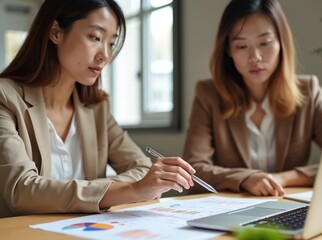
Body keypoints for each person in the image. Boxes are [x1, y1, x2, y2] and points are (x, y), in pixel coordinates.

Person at [0, 0, 195, 218]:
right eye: (95, 37)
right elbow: (21, 191)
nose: (105, 55)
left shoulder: (96, 109)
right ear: (55, 32)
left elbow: (142, 168)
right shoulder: (5, 97)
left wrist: (71, 191)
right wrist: (131, 189)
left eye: (111, 43)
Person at [183, 0, 322, 196]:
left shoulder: (309, 90)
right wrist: (245, 179)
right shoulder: (208, 95)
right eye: (242, 46)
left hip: (286, 205)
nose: (255, 57)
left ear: (282, 42)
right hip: (232, 210)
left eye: (264, 43)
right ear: (228, 51)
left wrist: (283, 178)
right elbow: (193, 170)